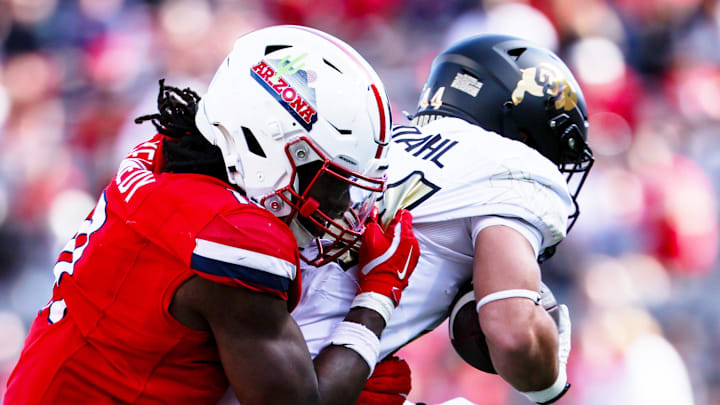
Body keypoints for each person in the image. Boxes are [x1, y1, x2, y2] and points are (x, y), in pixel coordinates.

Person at [4, 25, 420, 405]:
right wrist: (377, 298)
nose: (342, 204)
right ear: (266, 150)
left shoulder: (171, 156)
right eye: (331, 182)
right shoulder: (233, 237)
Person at [292, 34, 594, 404]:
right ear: (525, 128)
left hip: (254, 354)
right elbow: (512, 332)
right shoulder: (516, 166)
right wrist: (549, 380)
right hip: (307, 380)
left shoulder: (384, 137)